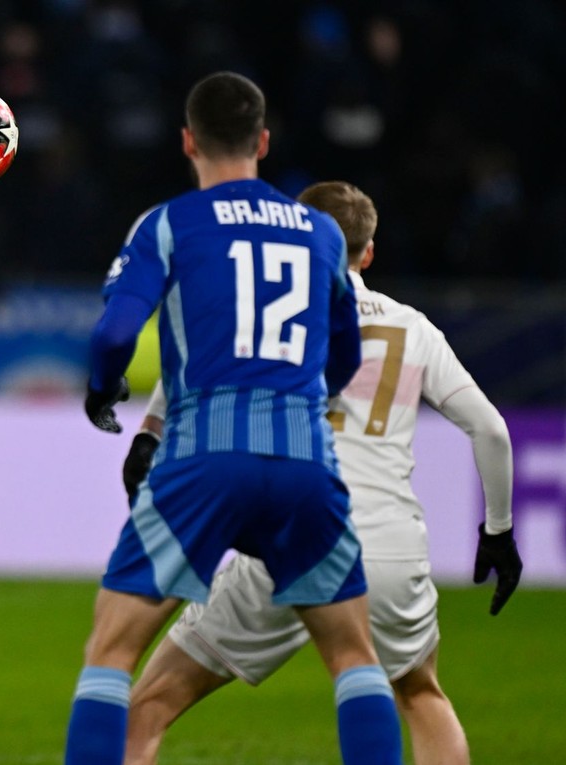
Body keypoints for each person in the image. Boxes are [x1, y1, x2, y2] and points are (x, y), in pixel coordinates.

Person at [66, 71, 405, 765]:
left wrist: (103, 388)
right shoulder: (320, 233)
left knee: (112, 649)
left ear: (189, 141)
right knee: (352, 654)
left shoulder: (168, 223)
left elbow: (113, 334)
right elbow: (343, 356)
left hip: (205, 455)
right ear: (264, 141)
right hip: (306, 455)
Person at [121, 181, 523, 765]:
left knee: (150, 705)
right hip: (388, 547)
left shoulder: (261, 311)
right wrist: (498, 531)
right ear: (370, 253)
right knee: (420, 693)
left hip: (288, 533)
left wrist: (149, 432)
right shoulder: (413, 327)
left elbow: (194, 358)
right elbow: (490, 431)